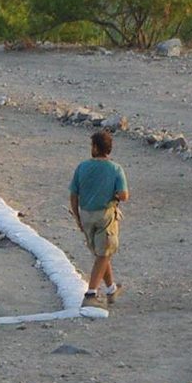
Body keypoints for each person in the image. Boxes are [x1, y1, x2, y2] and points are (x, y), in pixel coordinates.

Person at [69, 130, 129, 307]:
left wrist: (77, 217)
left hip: (86, 215)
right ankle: (90, 294)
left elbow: (73, 195)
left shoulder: (82, 167)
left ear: (95, 147)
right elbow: (124, 195)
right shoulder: (115, 169)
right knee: (104, 254)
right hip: (105, 216)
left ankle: (111, 290)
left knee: (102, 253)